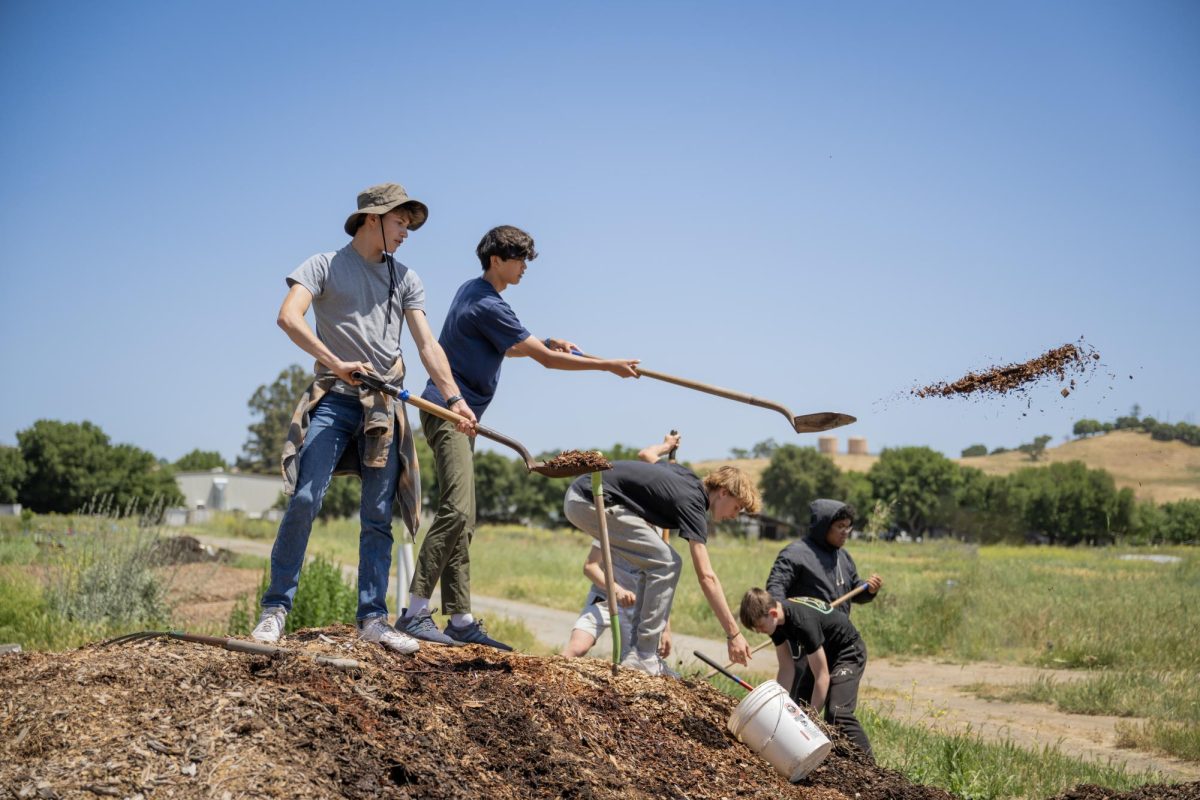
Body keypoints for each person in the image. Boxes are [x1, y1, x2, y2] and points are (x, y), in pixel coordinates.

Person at [251, 183, 478, 655]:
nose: (406, 233)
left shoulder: (407, 277)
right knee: (305, 497)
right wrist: (335, 363)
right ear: (373, 219)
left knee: (378, 515)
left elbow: (427, 345)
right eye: (401, 223)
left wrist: (455, 399)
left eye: (410, 226)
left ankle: (373, 618)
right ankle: (276, 609)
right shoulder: (322, 266)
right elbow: (288, 318)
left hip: (385, 404)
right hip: (336, 397)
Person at [399, 225, 640, 650]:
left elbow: (511, 346)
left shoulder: (473, 293)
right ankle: (415, 610)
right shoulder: (490, 303)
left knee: (465, 519)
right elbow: (545, 362)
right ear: (497, 259)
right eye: (520, 259)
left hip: (458, 416)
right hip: (447, 411)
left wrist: (546, 341)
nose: (525, 267)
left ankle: (460, 619)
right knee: (456, 511)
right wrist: (608, 365)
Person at [563, 449, 760, 676]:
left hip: (582, 495)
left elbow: (647, 455)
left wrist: (666, 446)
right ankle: (643, 654)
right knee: (667, 563)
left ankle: (639, 652)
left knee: (657, 563)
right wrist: (733, 634)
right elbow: (707, 576)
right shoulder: (693, 502)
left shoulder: (685, 477)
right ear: (724, 492)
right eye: (737, 507)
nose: (735, 516)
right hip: (591, 498)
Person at [562, 435, 679, 661]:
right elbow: (590, 566)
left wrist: (666, 629)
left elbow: (662, 592)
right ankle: (549, 680)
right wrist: (616, 590)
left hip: (638, 609)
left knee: (632, 662)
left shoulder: (659, 537)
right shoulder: (620, 522)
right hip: (606, 597)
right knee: (577, 648)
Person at [740, 587, 873, 759]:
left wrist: (811, 720)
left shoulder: (802, 622)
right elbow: (787, 668)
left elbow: (822, 677)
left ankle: (869, 763)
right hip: (823, 651)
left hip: (847, 652)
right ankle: (810, 755)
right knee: (798, 706)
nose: (759, 631)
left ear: (772, 613)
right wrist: (778, 705)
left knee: (837, 712)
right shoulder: (776, 623)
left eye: (759, 626)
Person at [765, 499, 883, 616]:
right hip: (806, 632)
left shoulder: (843, 556)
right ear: (823, 526)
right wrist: (781, 613)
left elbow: (854, 590)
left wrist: (868, 590)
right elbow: (775, 587)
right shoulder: (795, 553)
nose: (845, 532)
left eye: (848, 527)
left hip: (839, 632)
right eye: (840, 526)